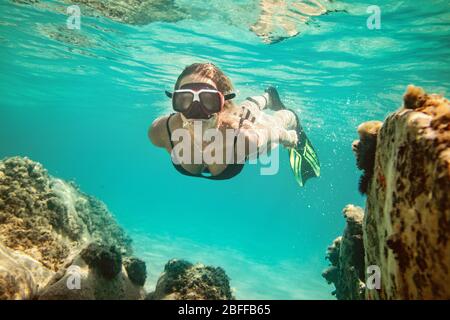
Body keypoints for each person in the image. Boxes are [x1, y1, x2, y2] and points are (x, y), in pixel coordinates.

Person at [149, 62, 319, 184]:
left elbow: (274, 131)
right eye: (184, 100)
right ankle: (267, 97)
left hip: (240, 129)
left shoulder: (243, 136)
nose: (196, 112)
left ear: (222, 103)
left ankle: (273, 102)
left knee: (266, 118)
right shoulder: (161, 131)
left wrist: (290, 137)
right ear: (175, 101)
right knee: (245, 109)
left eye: (208, 101)